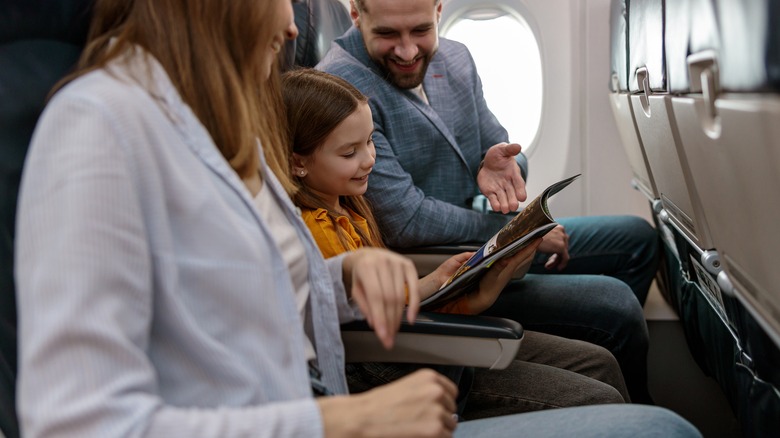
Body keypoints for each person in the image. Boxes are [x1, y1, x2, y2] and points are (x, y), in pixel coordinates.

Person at [14, 0, 702, 437]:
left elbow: (251, 294)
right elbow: (78, 423)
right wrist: (342, 421)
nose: (290, 25)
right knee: (661, 432)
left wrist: (346, 274)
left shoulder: (216, 122)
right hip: (329, 413)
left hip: (330, 394)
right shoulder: (100, 125)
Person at [317, 0, 658, 404]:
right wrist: (514, 234)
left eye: (421, 31)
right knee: (614, 307)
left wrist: (498, 164)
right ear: (357, 16)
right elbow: (408, 221)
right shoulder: (342, 87)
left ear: (440, 10)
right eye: (388, 34)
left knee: (637, 239)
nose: (408, 51)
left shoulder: (457, 58)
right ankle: (635, 417)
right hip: (442, 257)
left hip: (484, 234)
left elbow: (504, 149)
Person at [282, 67, 631, 417]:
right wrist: (467, 302)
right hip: (395, 363)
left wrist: (440, 282)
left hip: (414, 337)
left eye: (370, 141)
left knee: (599, 362)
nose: (370, 159)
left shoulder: (350, 206)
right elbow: (369, 322)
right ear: (298, 163)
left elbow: (384, 300)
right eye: (349, 153)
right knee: (600, 395)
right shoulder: (319, 230)